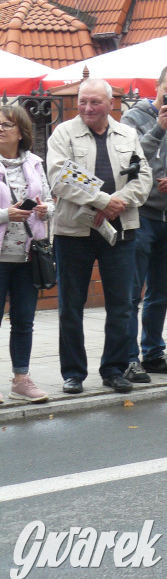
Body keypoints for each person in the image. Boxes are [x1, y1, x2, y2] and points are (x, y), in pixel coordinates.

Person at [47, 78, 152, 394]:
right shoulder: (63, 133)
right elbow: (59, 176)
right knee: (71, 306)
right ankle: (74, 373)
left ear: (110, 104)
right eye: (83, 102)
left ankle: (114, 369)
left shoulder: (128, 134)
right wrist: (104, 201)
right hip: (73, 231)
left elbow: (143, 178)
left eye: (94, 102)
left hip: (120, 230)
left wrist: (119, 202)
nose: (87, 108)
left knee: (121, 304)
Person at [122, 63, 167, 384]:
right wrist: (159, 128)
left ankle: (153, 352)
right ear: (157, 85)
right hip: (141, 215)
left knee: (161, 291)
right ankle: (127, 358)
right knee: (132, 291)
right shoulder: (133, 119)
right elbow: (128, 161)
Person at [0, 105, 53, 402]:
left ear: (21, 132)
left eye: (6, 125)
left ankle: (21, 379)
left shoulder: (34, 163)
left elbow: (48, 200)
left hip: (28, 256)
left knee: (24, 321)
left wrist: (47, 209)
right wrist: (6, 215)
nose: (0, 129)